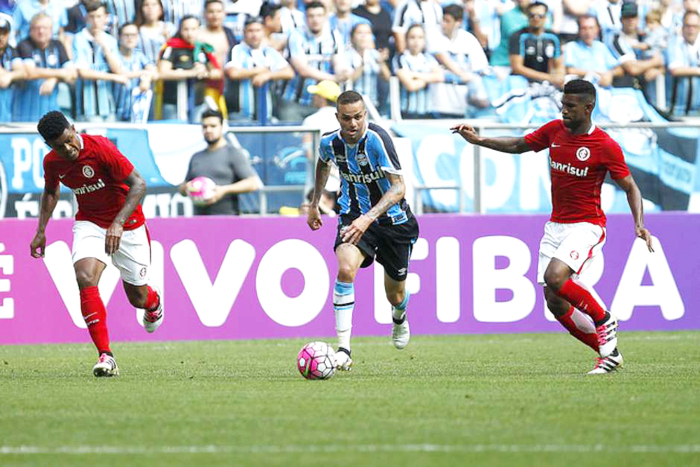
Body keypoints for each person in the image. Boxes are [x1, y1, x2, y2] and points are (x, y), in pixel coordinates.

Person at [451, 79, 654, 375]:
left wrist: (639, 225)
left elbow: (631, 187)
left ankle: (604, 319)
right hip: (556, 225)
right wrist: (479, 140)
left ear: (589, 107)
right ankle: (608, 353)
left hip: (587, 225)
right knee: (555, 302)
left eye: (571, 106)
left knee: (556, 276)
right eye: (563, 105)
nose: (564, 111)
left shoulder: (605, 145)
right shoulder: (554, 131)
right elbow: (519, 145)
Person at [30, 110, 164, 377]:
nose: (68, 148)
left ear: (74, 128)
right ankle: (106, 355)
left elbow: (138, 184)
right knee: (84, 277)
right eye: (59, 146)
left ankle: (154, 303)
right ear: (49, 147)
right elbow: (51, 192)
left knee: (137, 298)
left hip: (129, 225)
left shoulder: (100, 147)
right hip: (90, 223)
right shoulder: (52, 163)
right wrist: (41, 230)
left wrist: (118, 223)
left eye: (70, 139)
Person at [307, 90, 420, 371]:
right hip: (353, 214)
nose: (353, 123)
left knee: (394, 294)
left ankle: (399, 315)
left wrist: (368, 218)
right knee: (345, 269)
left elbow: (398, 188)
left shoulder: (378, 140)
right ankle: (344, 349)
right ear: (338, 118)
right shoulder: (330, 142)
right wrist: (314, 203)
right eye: (347, 118)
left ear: (365, 115)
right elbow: (323, 162)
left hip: (392, 221)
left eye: (358, 117)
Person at [178, 108, 260, 215]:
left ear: (221, 127)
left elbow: (253, 183)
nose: (208, 130)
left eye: (213, 126)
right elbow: (183, 188)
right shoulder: (196, 157)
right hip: (199, 222)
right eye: (205, 127)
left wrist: (224, 190)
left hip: (227, 220)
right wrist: (185, 188)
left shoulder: (233, 153)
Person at [224, 16, 294, 122]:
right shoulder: (236, 50)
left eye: (258, 30)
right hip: (240, 115)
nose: (254, 34)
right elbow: (233, 73)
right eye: (250, 31)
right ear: (244, 32)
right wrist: (259, 70)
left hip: (268, 115)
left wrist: (268, 75)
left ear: (263, 32)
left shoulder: (269, 51)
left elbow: (289, 72)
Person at [157, 15, 223, 122]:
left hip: (197, 102)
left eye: (193, 29)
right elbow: (162, 72)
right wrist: (191, 73)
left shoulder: (203, 48)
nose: (189, 33)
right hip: (173, 102)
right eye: (186, 29)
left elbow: (217, 73)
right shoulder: (172, 47)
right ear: (180, 30)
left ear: (199, 30)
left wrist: (205, 73)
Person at [14, 13, 76, 122]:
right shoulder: (24, 44)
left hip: (51, 110)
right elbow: (30, 72)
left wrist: (53, 79)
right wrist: (59, 74)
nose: (41, 31)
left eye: (45, 28)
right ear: (30, 30)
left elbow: (72, 74)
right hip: (25, 112)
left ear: (51, 30)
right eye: (37, 28)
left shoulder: (58, 45)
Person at [72, 0, 126, 122]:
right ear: (86, 18)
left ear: (106, 18)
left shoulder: (110, 40)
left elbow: (118, 70)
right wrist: (113, 77)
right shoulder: (79, 39)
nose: (96, 21)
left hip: (109, 106)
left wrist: (105, 48)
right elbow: (83, 72)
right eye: (92, 17)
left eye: (99, 16)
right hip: (86, 107)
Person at [393, 23, 444, 118]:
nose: (416, 41)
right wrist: (429, 78)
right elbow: (410, 85)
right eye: (412, 37)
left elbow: (440, 77)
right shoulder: (400, 58)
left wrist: (414, 74)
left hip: (428, 112)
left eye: (420, 37)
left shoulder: (428, 58)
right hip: (407, 112)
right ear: (406, 39)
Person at [509, 1, 565, 87]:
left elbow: (559, 64)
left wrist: (560, 77)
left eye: (540, 16)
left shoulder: (553, 37)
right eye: (532, 15)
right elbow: (517, 68)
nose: (536, 18)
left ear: (546, 17)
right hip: (522, 81)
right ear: (527, 17)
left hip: (545, 82)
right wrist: (549, 77)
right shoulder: (518, 36)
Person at [564, 15, 622, 88]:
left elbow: (619, 69)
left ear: (597, 29)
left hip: (605, 89)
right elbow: (570, 70)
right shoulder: (571, 46)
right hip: (583, 89)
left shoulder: (601, 46)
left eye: (591, 28)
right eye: (584, 28)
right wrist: (595, 73)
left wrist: (610, 74)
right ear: (579, 30)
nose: (588, 32)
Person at [665, 10, 700, 116]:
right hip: (676, 111)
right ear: (682, 27)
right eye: (688, 26)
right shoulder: (674, 43)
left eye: (694, 26)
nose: (691, 30)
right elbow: (676, 70)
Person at [0, 15, 23, 122]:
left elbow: (22, 72)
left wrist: (9, 76)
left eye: (3, 33)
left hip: (6, 110)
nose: (0, 37)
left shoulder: (11, 50)